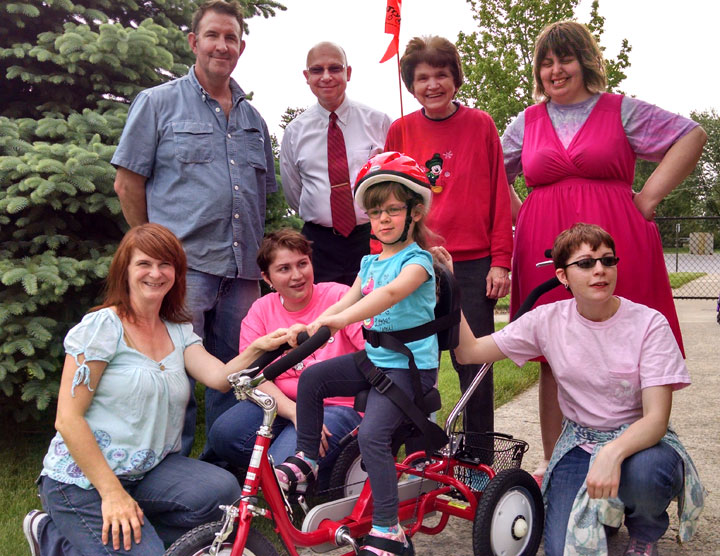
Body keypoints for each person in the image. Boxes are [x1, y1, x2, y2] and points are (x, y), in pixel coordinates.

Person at [501, 20, 707, 481]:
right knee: (553, 351)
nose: (556, 70)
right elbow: (492, 172)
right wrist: (522, 213)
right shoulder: (526, 122)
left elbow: (691, 135)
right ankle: (556, 462)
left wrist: (648, 199)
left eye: (565, 59)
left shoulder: (621, 110)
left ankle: (636, 460)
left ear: (586, 62)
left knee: (629, 343)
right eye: (546, 63)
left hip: (617, 239)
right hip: (546, 244)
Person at [22, 224, 292, 556]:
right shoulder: (102, 328)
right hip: (84, 480)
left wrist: (260, 347)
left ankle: (106, 536)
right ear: (124, 270)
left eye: (165, 264)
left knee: (222, 492)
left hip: (148, 471)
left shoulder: (178, 331)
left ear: (176, 274)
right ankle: (53, 536)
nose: (156, 273)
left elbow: (220, 377)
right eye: (144, 264)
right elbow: (68, 419)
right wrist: (112, 494)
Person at [449, 223, 705, 556]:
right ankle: (607, 512)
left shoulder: (649, 324)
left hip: (641, 444)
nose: (600, 270)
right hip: (580, 444)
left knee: (645, 475)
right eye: (585, 263)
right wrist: (450, 285)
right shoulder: (547, 320)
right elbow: (469, 352)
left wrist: (612, 453)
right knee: (561, 549)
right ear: (563, 276)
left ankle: (643, 531)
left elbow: (656, 420)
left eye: (608, 260)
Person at [112, 0, 277, 452]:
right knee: (173, 377)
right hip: (183, 271)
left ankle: (223, 470)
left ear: (241, 47)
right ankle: (169, 468)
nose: (222, 46)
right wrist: (152, 251)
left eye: (231, 38)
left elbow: (263, 196)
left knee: (238, 376)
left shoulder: (254, 120)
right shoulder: (157, 103)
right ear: (193, 42)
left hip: (242, 274)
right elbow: (127, 183)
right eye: (212, 36)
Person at [275, 152, 439, 556]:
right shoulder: (369, 262)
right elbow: (346, 301)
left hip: (409, 369)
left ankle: (389, 529)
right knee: (313, 378)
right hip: (377, 361)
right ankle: (308, 460)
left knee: (372, 436)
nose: (383, 219)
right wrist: (312, 325)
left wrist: (338, 320)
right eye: (375, 212)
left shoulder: (419, 261)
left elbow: (389, 295)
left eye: (393, 210)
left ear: (415, 212)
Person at [384, 36, 513, 442]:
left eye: (441, 75)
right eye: (422, 77)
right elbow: (385, 200)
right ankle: (418, 451)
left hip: (472, 266)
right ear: (410, 84)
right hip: (415, 263)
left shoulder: (481, 124)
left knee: (473, 365)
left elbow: (499, 195)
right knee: (410, 361)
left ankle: (478, 456)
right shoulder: (400, 130)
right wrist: (386, 259)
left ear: (455, 78)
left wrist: (500, 260)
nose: (433, 85)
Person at [206, 229, 363, 476]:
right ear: (266, 278)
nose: (297, 275)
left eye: (302, 264)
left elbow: (372, 353)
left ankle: (317, 471)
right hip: (285, 403)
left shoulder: (339, 297)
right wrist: (294, 412)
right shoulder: (260, 311)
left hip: (336, 405)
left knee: (284, 463)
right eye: (284, 269)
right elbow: (255, 374)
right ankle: (301, 463)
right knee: (224, 434)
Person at [280, 41, 392, 286]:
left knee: (376, 307)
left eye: (334, 68)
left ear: (348, 73)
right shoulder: (295, 132)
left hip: (373, 239)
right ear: (307, 77)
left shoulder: (379, 123)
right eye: (317, 70)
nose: (326, 77)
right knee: (323, 309)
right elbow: (294, 192)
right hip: (318, 246)